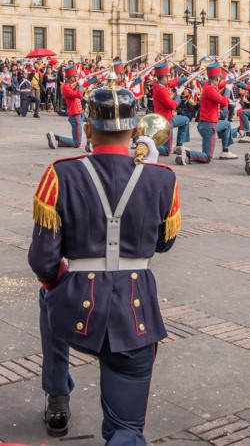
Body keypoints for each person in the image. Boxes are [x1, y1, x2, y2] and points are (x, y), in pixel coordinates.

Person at [28, 71, 181, 443]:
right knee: (127, 427)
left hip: (76, 304)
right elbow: (163, 244)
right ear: (133, 133)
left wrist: (55, 284)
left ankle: (58, 398)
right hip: (135, 310)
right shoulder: (162, 177)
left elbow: (42, 258)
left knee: (48, 300)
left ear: (89, 131)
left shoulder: (60, 173)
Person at [175, 62, 238, 165]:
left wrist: (230, 82)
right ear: (217, 78)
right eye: (220, 78)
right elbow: (224, 101)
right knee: (207, 157)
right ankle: (186, 154)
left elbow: (219, 84)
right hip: (209, 126)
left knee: (226, 125)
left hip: (207, 123)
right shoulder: (210, 90)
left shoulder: (207, 84)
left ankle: (225, 151)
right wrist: (227, 90)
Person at [152, 61, 190, 155]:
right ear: (164, 77)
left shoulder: (160, 85)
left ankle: (179, 145)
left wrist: (188, 77)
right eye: (167, 76)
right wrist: (178, 95)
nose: (169, 78)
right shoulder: (161, 89)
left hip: (169, 117)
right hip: (166, 120)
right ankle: (150, 146)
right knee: (167, 150)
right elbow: (172, 106)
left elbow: (175, 82)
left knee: (185, 120)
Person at [46, 64, 85, 150]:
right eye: (75, 77)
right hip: (75, 115)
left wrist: (95, 78)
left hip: (80, 113)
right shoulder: (66, 88)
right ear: (71, 78)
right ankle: (56, 139)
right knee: (77, 143)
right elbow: (79, 94)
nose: (76, 78)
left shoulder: (72, 86)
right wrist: (80, 85)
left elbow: (86, 83)